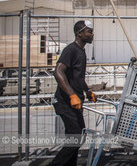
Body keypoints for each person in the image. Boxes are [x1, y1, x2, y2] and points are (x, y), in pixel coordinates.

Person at [49, 20, 96, 166]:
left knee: (77, 138)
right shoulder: (71, 50)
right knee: (76, 138)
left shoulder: (81, 51)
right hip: (65, 102)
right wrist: (72, 95)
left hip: (74, 103)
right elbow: (58, 72)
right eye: (89, 31)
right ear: (79, 33)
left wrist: (87, 91)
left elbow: (78, 77)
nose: (92, 34)